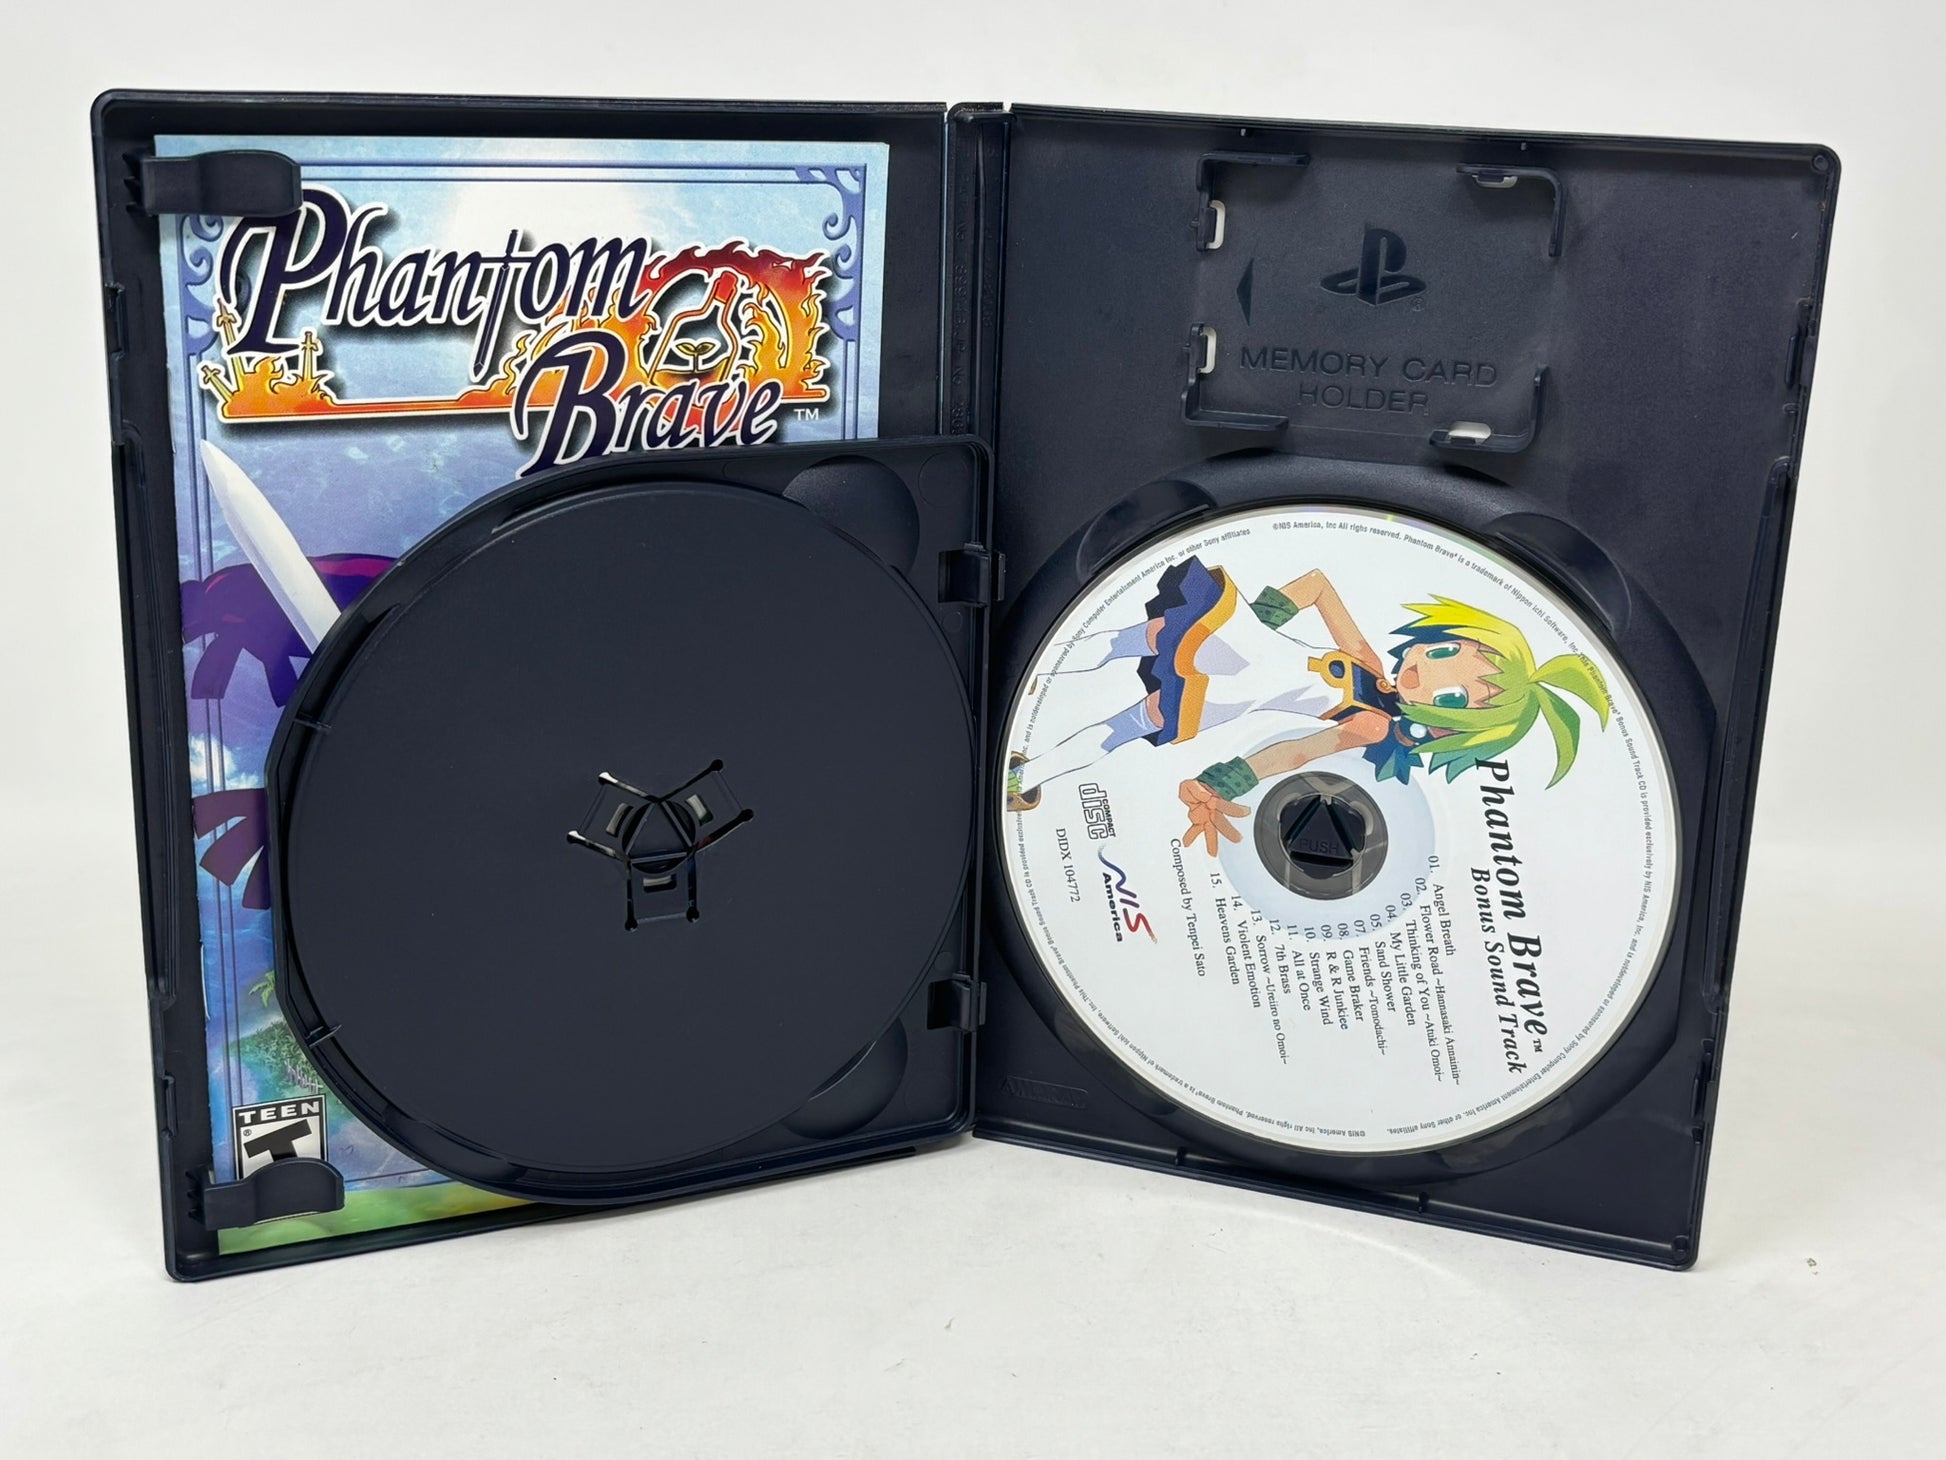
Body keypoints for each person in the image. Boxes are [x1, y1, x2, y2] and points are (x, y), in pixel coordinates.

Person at [1004, 557, 1612, 854]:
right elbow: (1319, 584)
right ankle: (1029, 666)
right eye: (1445, 650)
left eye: (1450, 696)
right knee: (1145, 642)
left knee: (1144, 709)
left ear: (1452, 722)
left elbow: (1297, 752)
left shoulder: (1372, 723)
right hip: (1247, 646)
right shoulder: (1369, 663)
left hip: (1239, 691)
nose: (1424, 670)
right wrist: (1262, 624)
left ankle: (1028, 774)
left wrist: (1223, 782)